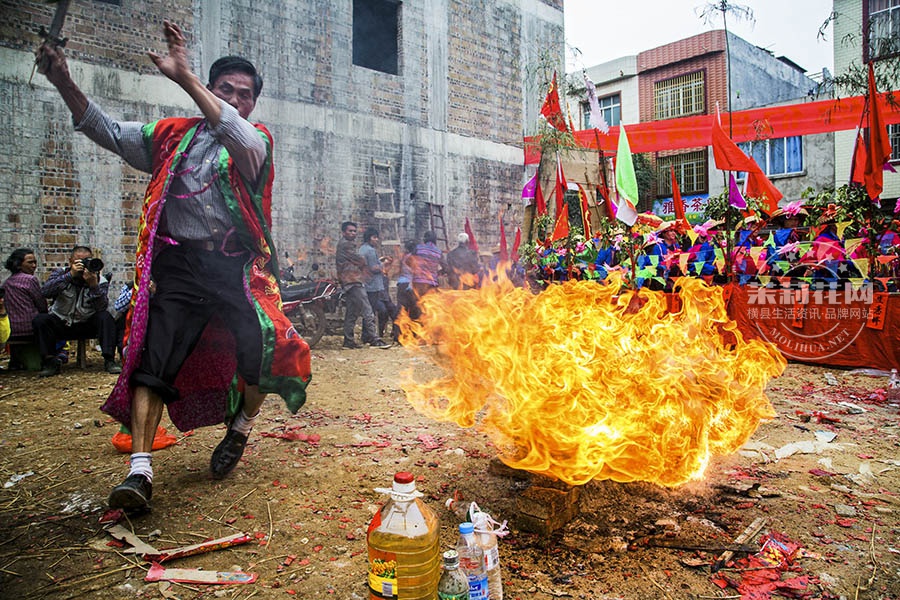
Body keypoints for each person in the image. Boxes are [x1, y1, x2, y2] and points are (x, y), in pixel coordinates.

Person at [37, 21, 311, 512]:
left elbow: (237, 135)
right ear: (209, 87)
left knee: (268, 350)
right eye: (223, 89)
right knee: (151, 359)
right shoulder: (171, 137)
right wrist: (63, 80)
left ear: (253, 104)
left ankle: (240, 429)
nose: (235, 99)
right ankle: (139, 474)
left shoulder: (256, 140)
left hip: (236, 268)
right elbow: (109, 131)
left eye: (244, 95)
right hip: (181, 266)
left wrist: (186, 79)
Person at [31, 246, 119, 377]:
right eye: (79, 261)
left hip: (86, 323)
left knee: (105, 317)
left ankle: (109, 360)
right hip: (62, 321)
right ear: (70, 261)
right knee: (41, 320)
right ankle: (50, 362)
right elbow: (45, 292)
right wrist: (70, 275)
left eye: (86, 261)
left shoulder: (100, 279)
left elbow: (101, 307)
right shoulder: (60, 273)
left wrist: (93, 286)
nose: (83, 265)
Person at [335, 221, 390, 349]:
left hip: (349, 281)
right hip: (353, 281)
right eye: (350, 231)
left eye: (354, 231)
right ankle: (374, 339)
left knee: (352, 313)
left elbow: (360, 260)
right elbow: (361, 260)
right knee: (368, 310)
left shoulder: (347, 244)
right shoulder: (346, 245)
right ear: (344, 232)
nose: (353, 233)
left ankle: (348, 341)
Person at [2, 248, 48, 369]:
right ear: (18, 264)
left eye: (35, 262)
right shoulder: (30, 279)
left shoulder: (6, 282)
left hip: (11, 329)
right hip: (30, 328)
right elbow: (42, 305)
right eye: (29, 262)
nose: (33, 266)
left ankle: (16, 360)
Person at [358, 228, 397, 343]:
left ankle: (366, 336)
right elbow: (373, 268)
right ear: (369, 238)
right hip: (372, 285)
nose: (376, 240)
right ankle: (369, 337)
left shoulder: (362, 249)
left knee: (368, 311)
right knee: (370, 312)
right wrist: (383, 265)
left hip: (367, 283)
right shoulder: (370, 250)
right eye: (374, 237)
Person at [412, 231, 443, 298]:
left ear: (425, 239)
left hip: (418, 282)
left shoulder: (418, 248)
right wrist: (438, 273)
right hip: (432, 283)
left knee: (418, 304)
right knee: (430, 305)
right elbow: (446, 267)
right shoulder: (439, 252)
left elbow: (409, 261)